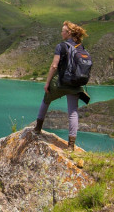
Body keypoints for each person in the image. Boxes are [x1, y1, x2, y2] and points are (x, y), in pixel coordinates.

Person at [33, 21, 91, 151]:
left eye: (63, 31)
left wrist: (47, 83)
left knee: (46, 100)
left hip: (61, 82)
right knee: (73, 112)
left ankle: (37, 129)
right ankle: (71, 145)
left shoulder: (61, 46)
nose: (61, 33)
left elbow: (54, 66)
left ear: (68, 33)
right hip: (75, 83)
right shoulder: (80, 47)